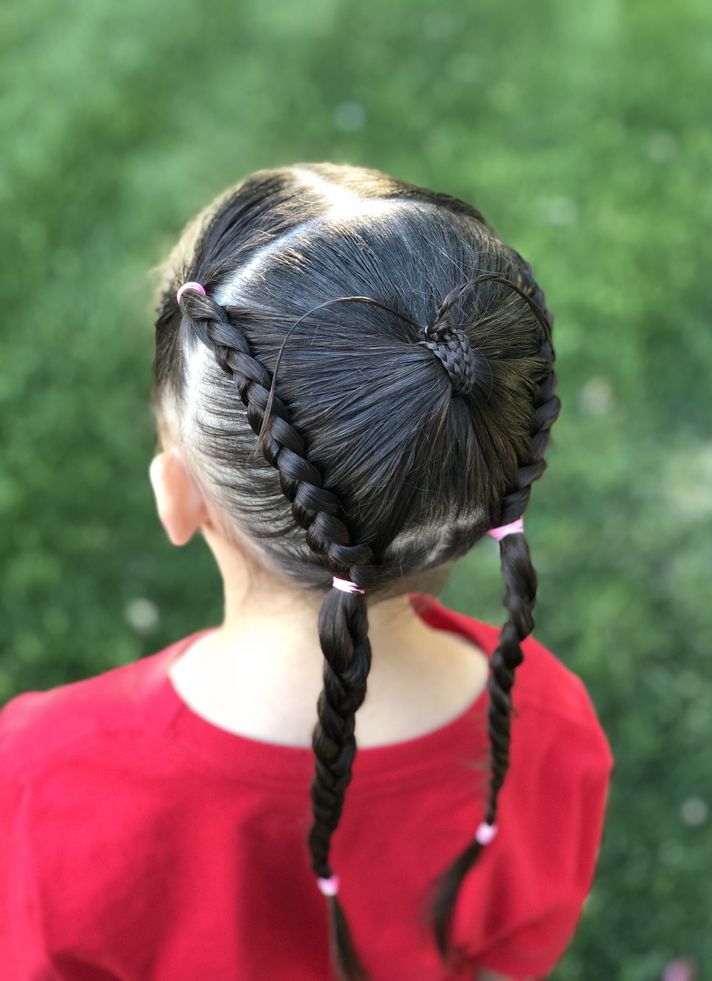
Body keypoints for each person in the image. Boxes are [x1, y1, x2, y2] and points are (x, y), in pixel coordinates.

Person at [0, 163, 614, 981]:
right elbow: (520, 946)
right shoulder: (548, 720)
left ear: (177, 494)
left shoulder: (38, 778)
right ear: (470, 513)